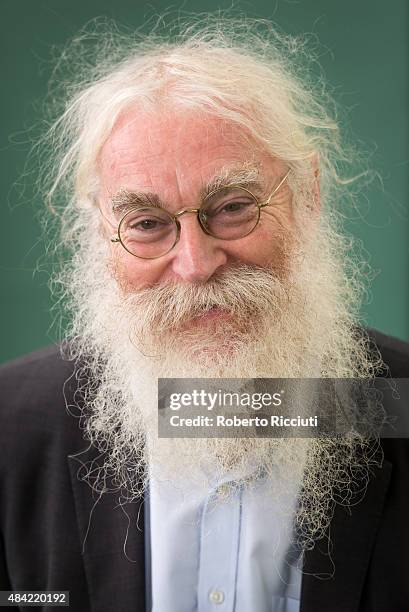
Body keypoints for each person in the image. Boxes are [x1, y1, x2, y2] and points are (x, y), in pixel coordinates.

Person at [1, 17, 408, 612]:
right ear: (98, 232)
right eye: (146, 224)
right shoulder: (8, 431)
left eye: (234, 207)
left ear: (310, 195)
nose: (195, 263)